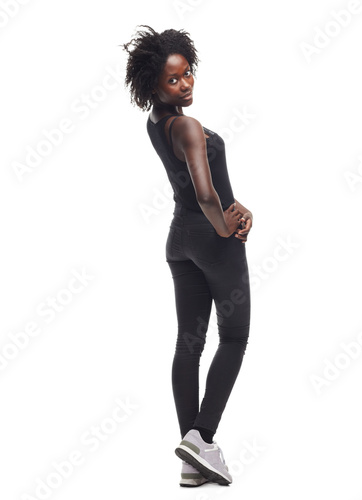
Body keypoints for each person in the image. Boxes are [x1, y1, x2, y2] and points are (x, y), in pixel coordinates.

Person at [122, 25, 253, 487]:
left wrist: (237, 207)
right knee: (234, 338)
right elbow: (204, 192)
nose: (186, 83)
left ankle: (191, 458)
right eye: (174, 80)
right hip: (211, 243)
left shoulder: (158, 121)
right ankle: (204, 438)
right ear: (152, 85)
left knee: (188, 345)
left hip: (179, 242)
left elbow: (203, 188)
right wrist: (227, 226)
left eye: (188, 73)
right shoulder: (190, 126)